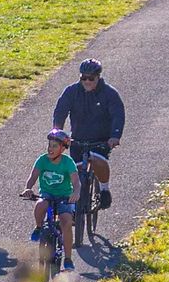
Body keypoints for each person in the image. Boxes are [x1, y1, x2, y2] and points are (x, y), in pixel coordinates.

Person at [51, 58, 124, 210]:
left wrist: (115, 136)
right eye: (83, 78)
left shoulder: (109, 93)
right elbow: (60, 111)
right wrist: (57, 132)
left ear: (98, 77)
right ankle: (74, 209)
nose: (87, 81)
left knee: (97, 160)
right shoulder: (71, 91)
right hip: (78, 138)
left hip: (101, 140)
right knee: (75, 171)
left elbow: (118, 115)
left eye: (91, 78)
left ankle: (104, 189)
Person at [22, 127, 80, 273]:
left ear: (62, 148)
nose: (50, 149)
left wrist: (76, 192)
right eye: (49, 145)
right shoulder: (42, 160)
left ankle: (67, 258)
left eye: (55, 146)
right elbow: (33, 176)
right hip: (47, 194)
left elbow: (75, 181)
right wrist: (28, 188)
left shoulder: (68, 162)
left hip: (64, 197)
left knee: (66, 222)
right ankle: (38, 227)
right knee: (40, 204)